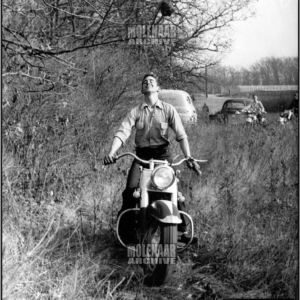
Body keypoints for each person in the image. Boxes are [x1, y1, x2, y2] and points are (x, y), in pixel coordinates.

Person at [104, 72, 199, 245]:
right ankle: (126, 231)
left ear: (157, 88)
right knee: (130, 191)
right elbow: (122, 132)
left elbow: (181, 135)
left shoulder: (169, 109)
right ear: (142, 89)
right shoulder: (135, 112)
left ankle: (184, 231)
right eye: (145, 82)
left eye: (151, 81)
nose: (148, 82)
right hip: (141, 156)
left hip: (164, 155)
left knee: (175, 192)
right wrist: (112, 152)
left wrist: (188, 157)